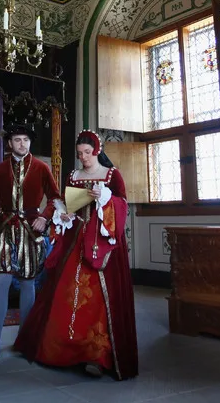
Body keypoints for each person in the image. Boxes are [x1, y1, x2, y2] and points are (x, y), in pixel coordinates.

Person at [14, 130, 138, 380]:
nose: (83, 157)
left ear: (97, 151)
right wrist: (65, 214)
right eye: (80, 153)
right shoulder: (74, 175)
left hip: (101, 243)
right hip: (76, 238)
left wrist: (104, 198)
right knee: (65, 291)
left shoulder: (112, 175)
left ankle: (95, 356)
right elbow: (68, 203)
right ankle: (60, 350)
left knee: (98, 299)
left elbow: (122, 205)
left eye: (87, 153)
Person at [0, 124, 59, 358]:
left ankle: (25, 340)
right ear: (10, 143)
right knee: (1, 280)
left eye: (26, 140)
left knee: (28, 282)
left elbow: (55, 199)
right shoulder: (0, 169)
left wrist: (44, 217)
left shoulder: (42, 167)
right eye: (17, 140)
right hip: (5, 229)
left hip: (30, 231)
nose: (22, 144)